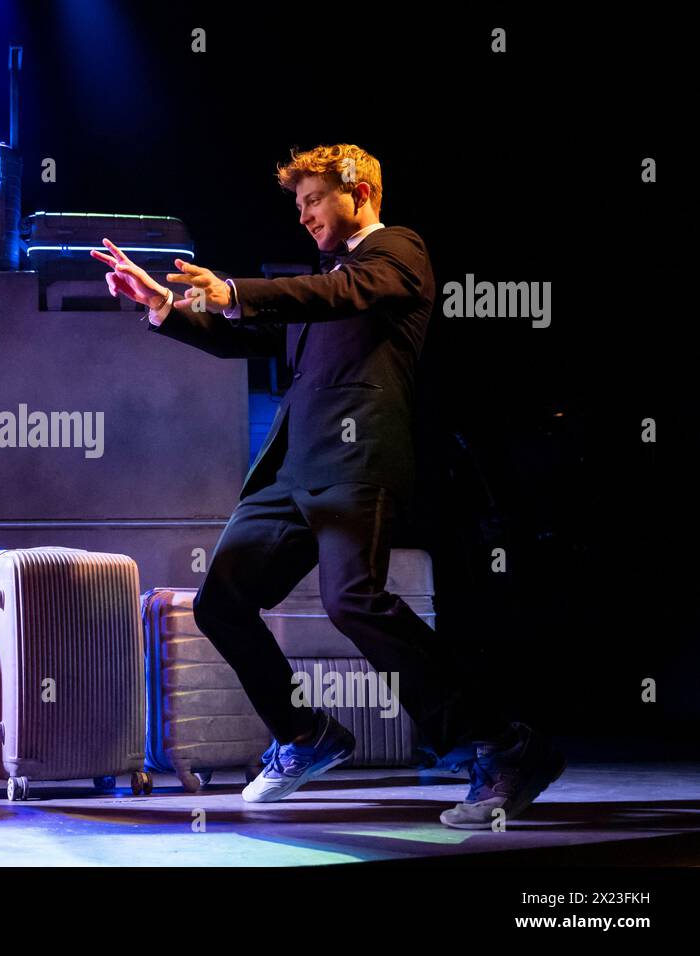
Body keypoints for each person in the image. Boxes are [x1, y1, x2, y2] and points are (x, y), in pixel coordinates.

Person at [91, 143, 564, 829]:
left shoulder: (398, 253)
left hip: (356, 461)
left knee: (355, 602)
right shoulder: (327, 280)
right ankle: (306, 733)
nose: (304, 216)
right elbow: (257, 337)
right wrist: (166, 304)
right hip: (288, 473)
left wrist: (235, 289)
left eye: (313, 200)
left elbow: (338, 293)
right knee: (221, 602)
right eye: (299, 205)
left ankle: (501, 746)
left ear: (361, 192)